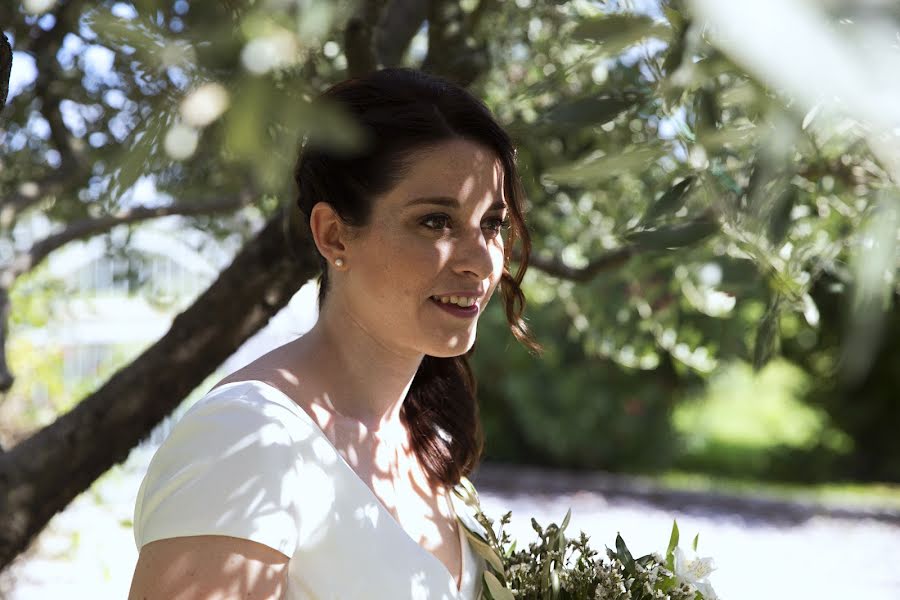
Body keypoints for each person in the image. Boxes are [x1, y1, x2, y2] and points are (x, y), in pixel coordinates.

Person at [127, 67, 541, 600]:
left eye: (492, 225)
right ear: (333, 235)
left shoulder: (426, 440)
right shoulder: (246, 439)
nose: (479, 262)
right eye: (436, 221)